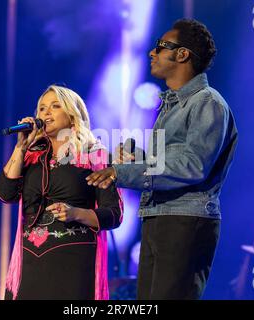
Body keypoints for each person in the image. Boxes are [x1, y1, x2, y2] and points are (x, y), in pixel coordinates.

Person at [86, 19, 238, 299]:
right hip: (160, 216)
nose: (151, 53)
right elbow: (170, 162)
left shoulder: (208, 103)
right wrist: (136, 158)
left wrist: (122, 172)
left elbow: (192, 166)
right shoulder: (172, 106)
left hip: (185, 220)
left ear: (182, 55)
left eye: (161, 47)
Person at [0, 85, 123, 300]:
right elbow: (4, 194)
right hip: (30, 261)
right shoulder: (31, 156)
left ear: (72, 116)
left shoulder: (94, 155)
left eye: (55, 107)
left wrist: (75, 213)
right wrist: (21, 147)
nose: (46, 113)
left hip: (72, 262)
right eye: (42, 109)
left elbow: (114, 214)